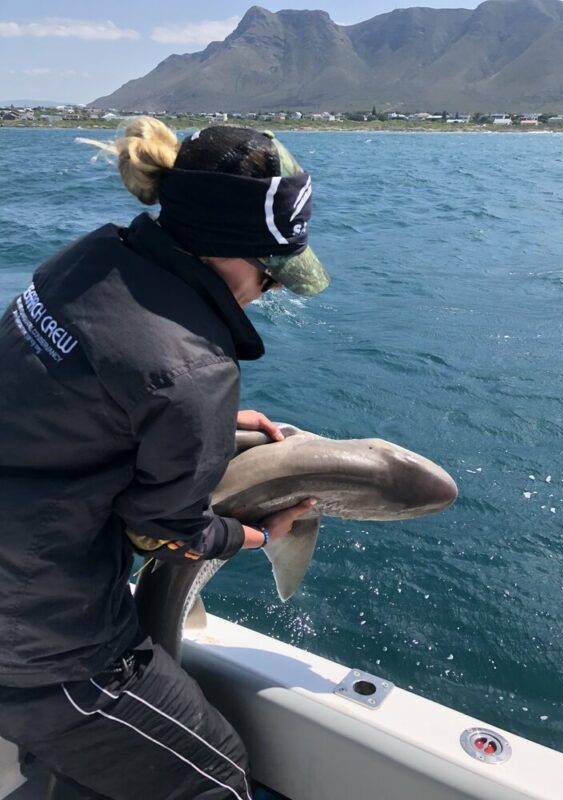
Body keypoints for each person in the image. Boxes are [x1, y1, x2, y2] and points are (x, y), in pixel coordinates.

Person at [0, 118, 330, 799]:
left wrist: (180, 423)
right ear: (228, 253)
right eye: (270, 274)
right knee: (215, 775)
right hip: (38, 647)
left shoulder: (86, 260)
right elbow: (162, 533)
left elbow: (66, 389)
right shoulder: (193, 373)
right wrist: (254, 533)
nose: (266, 293)